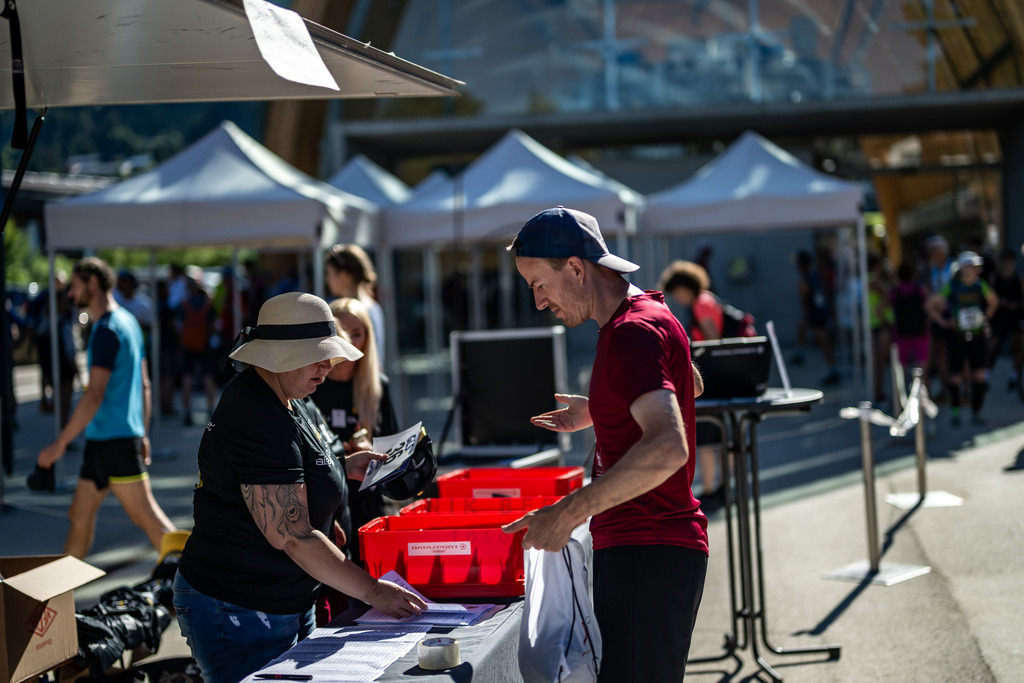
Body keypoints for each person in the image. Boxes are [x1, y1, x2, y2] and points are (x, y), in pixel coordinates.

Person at [172, 292, 426, 683]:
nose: (329, 364)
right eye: (317, 354)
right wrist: (375, 593)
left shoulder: (292, 396)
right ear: (281, 355)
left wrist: (341, 470)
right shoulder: (253, 413)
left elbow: (289, 471)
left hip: (281, 599)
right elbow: (291, 535)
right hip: (238, 606)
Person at [503, 207, 708, 683]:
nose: (538, 302)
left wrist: (566, 514)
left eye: (538, 284)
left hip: (648, 549)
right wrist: (603, 404)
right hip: (655, 550)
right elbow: (689, 382)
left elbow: (667, 447)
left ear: (576, 268)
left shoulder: (629, 333)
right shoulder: (649, 310)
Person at [36, 257, 176, 559]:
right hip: (107, 440)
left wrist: (60, 443)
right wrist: (144, 432)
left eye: (74, 287)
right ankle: (61, 597)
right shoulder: (128, 321)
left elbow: (94, 395)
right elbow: (145, 385)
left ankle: (200, 587)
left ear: (92, 283)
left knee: (149, 520)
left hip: (116, 442)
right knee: (79, 516)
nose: (70, 294)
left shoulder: (106, 330)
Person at [310, 298, 398, 563]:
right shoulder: (311, 385)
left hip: (365, 505)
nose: (348, 341)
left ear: (368, 339)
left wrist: (371, 450)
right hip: (322, 506)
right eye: (341, 332)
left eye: (357, 333)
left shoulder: (377, 386)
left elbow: (393, 453)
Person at [659, 259, 744, 511]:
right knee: (724, 436)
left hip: (714, 381)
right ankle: (725, 488)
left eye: (677, 292)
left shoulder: (700, 304)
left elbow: (713, 338)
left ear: (685, 287)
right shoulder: (709, 299)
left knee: (707, 437)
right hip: (726, 380)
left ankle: (711, 489)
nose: (678, 298)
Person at [927, 251, 998, 427]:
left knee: (979, 375)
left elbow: (993, 302)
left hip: (977, 336)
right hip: (957, 336)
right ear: (963, 268)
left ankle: (976, 412)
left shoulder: (980, 284)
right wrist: (944, 322)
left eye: (976, 267)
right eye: (971, 267)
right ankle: (955, 413)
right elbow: (931, 305)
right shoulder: (952, 285)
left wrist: (985, 318)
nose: (975, 270)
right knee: (955, 377)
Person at [325, 244, 386, 368]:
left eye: (329, 273)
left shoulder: (353, 312)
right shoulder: (374, 307)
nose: (327, 280)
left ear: (343, 275)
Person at [794, 250, 841, 384]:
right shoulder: (817, 277)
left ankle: (832, 369)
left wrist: (808, 317)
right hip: (820, 313)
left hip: (816, 315)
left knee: (822, 341)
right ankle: (831, 368)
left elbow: (805, 302)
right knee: (815, 336)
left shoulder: (806, 280)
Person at [178, 276, 217, 426]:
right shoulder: (207, 304)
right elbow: (213, 326)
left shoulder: (184, 305)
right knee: (208, 377)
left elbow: (179, 324)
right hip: (205, 344)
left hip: (187, 345)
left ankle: (187, 411)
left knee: (187, 378)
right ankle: (210, 409)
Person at [987, 247, 1024, 389]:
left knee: (1018, 345)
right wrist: (998, 302)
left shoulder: (1019, 279)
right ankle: (986, 376)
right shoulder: (994, 278)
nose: (1007, 263)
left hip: (1016, 316)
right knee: (993, 345)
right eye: (1004, 260)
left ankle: (1014, 376)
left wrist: (1016, 304)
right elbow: (989, 297)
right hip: (999, 316)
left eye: (1009, 260)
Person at [924, 235, 955, 400]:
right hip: (937, 315)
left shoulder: (953, 267)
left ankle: (958, 389)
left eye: (935, 250)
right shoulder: (932, 269)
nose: (932, 253)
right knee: (939, 353)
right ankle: (945, 389)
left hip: (951, 313)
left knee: (954, 354)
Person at [889, 262, 930, 379]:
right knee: (922, 364)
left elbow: (879, 310)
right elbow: (931, 305)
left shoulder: (894, 292)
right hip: (920, 331)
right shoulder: (920, 289)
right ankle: (924, 391)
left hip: (901, 332)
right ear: (912, 274)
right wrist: (928, 320)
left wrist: (889, 324)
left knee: (900, 367)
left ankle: (900, 394)